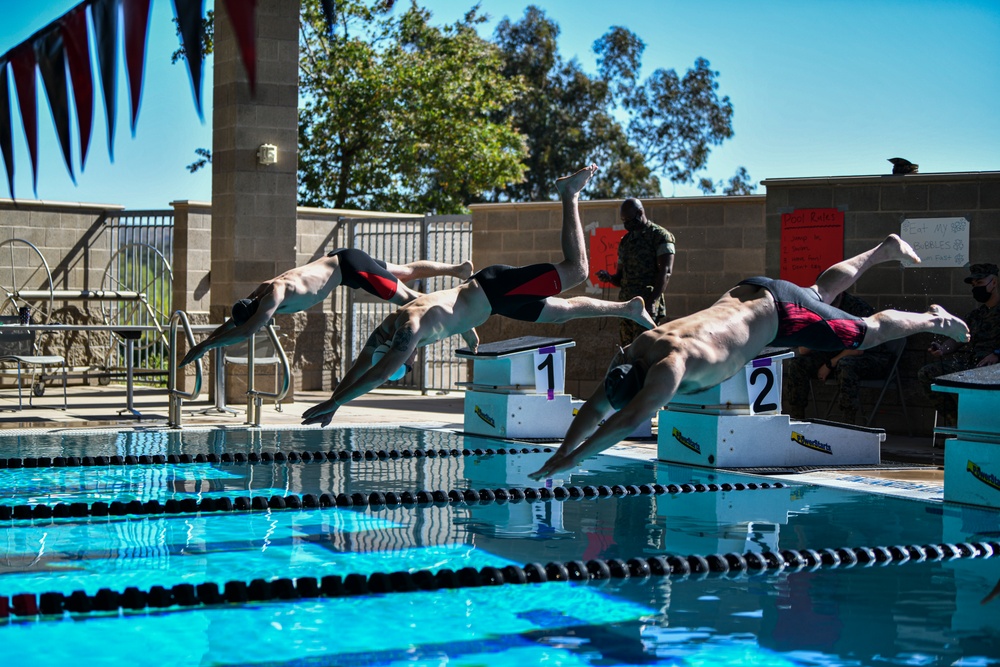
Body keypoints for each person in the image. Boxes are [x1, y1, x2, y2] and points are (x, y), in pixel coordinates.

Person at [529, 234, 970, 480]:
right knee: (819, 292)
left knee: (867, 333)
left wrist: (574, 458)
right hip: (749, 291)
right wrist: (564, 447)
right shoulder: (638, 349)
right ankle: (882, 250)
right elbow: (597, 407)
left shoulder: (669, 366)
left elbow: (622, 421)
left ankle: (929, 317)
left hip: (779, 313)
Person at [301, 164, 657, 427]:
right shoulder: (387, 333)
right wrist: (334, 399)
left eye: (403, 362)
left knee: (577, 270)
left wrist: (336, 404)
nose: (408, 362)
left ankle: (569, 194)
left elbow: (377, 374)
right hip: (493, 300)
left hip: (493, 288)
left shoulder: (407, 328)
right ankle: (627, 307)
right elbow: (362, 368)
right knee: (561, 312)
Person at [178, 248, 473, 367]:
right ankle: (457, 269)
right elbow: (237, 323)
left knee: (411, 301)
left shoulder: (273, 295)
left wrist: (206, 348)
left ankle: (464, 321)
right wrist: (206, 341)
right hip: (344, 263)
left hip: (350, 268)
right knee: (405, 272)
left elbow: (248, 330)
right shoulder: (259, 292)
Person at [784, 289, 893, 424]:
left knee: (846, 364)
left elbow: (858, 349)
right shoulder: (818, 307)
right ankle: (797, 418)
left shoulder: (856, 308)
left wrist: (830, 364)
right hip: (836, 354)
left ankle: (848, 421)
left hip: (870, 356)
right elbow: (804, 350)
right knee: (798, 363)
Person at [916, 262, 1000, 426]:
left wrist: (997, 353)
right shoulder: (977, 315)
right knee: (928, 373)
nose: (976, 288)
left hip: (993, 368)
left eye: (980, 283)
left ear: (994, 283)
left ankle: (979, 427)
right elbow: (958, 338)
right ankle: (956, 424)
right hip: (972, 364)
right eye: (974, 285)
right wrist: (942, 349)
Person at [596, 197, 676, 346]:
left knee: (644, 349)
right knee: (627, 349)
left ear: (640, 213)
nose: (626, 223)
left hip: (646, 305)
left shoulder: (660, 236)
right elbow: (620, 279)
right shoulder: (625, 241)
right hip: (626, 306)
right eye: (623, 220)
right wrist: (609, 278)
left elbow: (666, 271)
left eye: (629, 219)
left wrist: (652, 302)